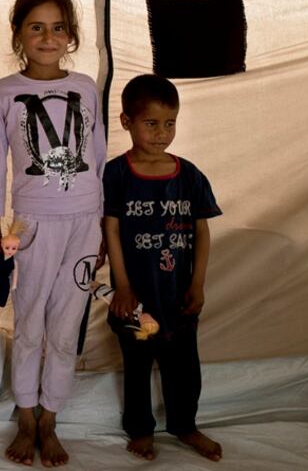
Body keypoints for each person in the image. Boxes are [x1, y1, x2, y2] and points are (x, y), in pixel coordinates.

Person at [0, 0, 105, 467]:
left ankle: (51, 417)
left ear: (70, 35)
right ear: (18, 35)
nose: (48, 37)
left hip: (83, 222)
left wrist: (101, 228)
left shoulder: (86, 87)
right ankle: (25, 414)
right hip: (30, 226)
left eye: (57, 28)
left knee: (66, 324)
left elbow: (95, 159)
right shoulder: (5, 92)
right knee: (29, 320)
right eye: (36, 27)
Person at [102, 74, 223, 462]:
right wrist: (122, 286)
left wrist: (198, 283)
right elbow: (111, 229)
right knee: (137, 366)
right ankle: (140, 430)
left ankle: (185, 425)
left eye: (169, 123)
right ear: (126, 122)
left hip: (177, 297)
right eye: (150, 123)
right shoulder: (117, 174)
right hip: (136, 301)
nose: (161, 133)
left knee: (184, 366)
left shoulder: (188, 175)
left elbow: (201, 231)